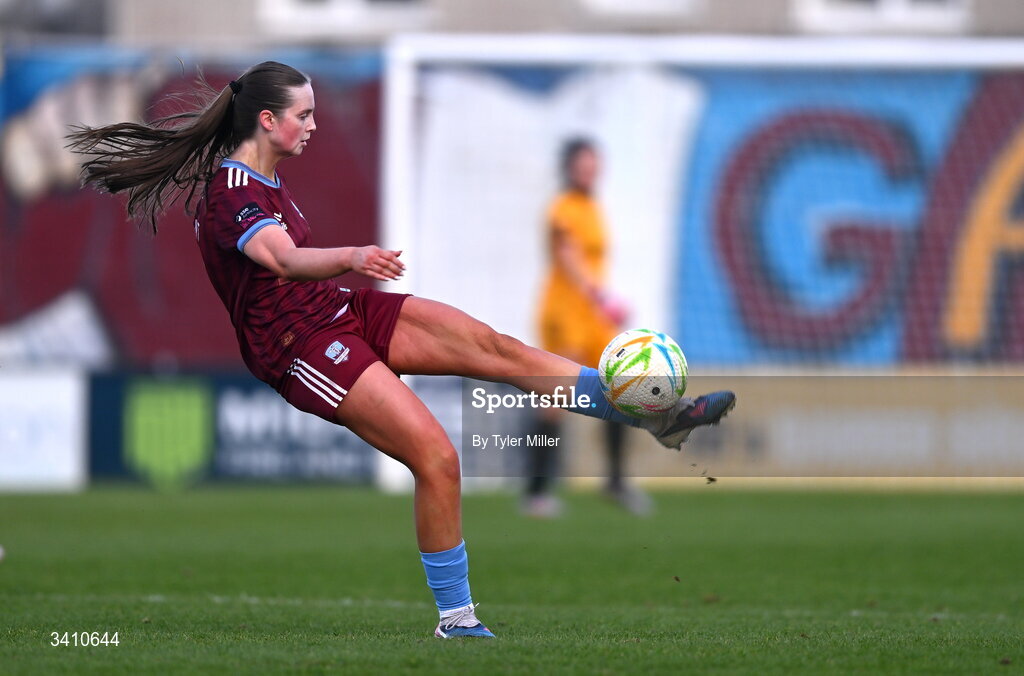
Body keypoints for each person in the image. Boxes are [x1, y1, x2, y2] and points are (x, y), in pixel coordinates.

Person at [68, 61, 736, 639]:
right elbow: (282, 259)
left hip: (340, 312)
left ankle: (657, 418)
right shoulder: (233, 191)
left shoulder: (265, 182)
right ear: (268, 120)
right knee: (438, 458)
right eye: (304, 115)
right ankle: (458, 622)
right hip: (302, 346)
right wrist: (354, 255)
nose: (314, 125)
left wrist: (348, 272)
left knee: (496, 348)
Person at [526, 137, 648, 518]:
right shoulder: (562, 207)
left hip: (595, 317)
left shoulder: (594, 207)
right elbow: (567, 257)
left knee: (620, 391)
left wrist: (603, 302)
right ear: (569, 167)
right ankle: (536, 492)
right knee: (555, 400)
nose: (589, 170)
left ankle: (614, 482)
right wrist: (600, 295)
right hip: (565, 314)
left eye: (593, 164)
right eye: (582, 164)